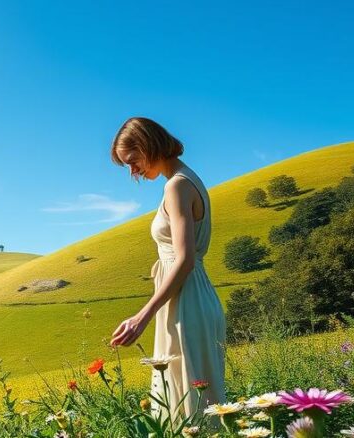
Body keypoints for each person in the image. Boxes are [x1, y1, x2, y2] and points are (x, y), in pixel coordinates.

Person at [107, 117, 226, 419]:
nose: (133, 171)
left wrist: (141, 317)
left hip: (186, 301)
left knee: (188, 407)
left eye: (133, 161)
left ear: (149, 145)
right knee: (191, 399)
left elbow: (184, 259)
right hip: (191, 296)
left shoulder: (177, 186)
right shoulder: (188, 180)